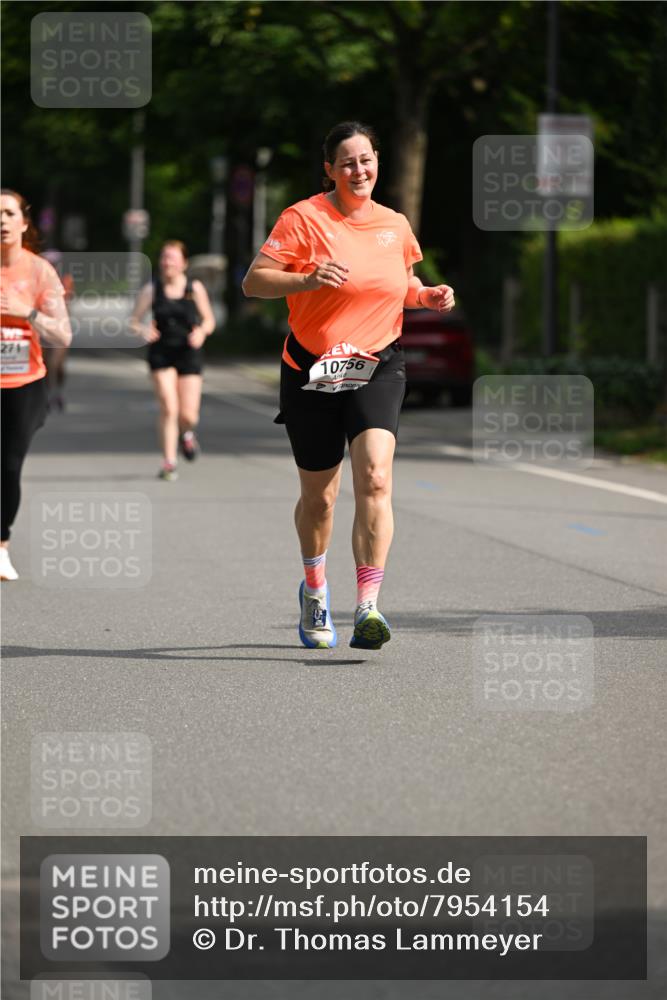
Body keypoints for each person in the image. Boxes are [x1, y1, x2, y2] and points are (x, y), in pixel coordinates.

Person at [242, 121, 455, 650]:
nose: (359, 171)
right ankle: (315, 589)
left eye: (367, 160)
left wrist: (426, 297)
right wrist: (307, 279)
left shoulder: (395, 224)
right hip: (312, 369)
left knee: (377, 480)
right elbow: (254, 281)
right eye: (347, 163)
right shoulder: (303, 218)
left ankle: (367, 607)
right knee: (320, 499)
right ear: (330, 171)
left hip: (378, 364)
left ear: (378, 161)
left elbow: (400, 284)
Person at [1, 189, 72, 581]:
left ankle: (1, 544)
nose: (1, 220)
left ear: (23, 222)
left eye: (8, 213)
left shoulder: (39, 271)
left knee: (8, 466)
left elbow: (62, 336)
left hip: (24, 383)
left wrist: (24, 312)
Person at [130, 241, 215, 480]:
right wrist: (143, 329)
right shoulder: (152, 289)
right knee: (169, 406)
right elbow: (134, 321)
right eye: (165, 258)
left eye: (173, 258)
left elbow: (209, 320)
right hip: (161, 352)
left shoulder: (194, 288)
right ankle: (169, 462)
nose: (168, 263)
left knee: (189, 416)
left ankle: (186, 434)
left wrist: (201, 332)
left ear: (184, 263)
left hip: (189, 352)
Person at [41, 249, 75, 412]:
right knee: (46, 364)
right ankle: (48, 395)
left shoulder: (65, 280)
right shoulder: (38, 280)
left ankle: (58, 393)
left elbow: (68, 303)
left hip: (59, 327)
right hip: (42, 327)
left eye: (54, 264)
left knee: (57, 364)